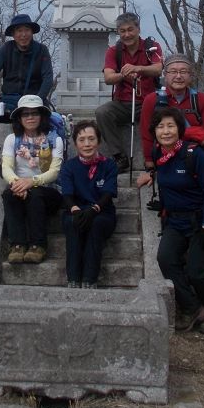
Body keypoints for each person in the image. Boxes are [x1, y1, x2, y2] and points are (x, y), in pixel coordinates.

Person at [136, 107, 204, 334]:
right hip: (174, 221)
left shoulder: (194, 154)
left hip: (199, 221)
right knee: (165, 259)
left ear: (179, 128)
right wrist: (152, 179)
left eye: (170, 126)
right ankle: (192, 306)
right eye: (160, 126)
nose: (165, 131)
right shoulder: (159, 154)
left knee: (197, 271)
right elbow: (166, 174)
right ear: (154, 131)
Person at [95, 12, 163, 171]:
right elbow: (108, 77)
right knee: (102, 112)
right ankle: (119, 156)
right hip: (123, 102)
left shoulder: (151, 46)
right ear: (118, 32)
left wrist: (138, 68)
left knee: (166, 114)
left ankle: (159, 155)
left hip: (149, 101)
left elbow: (158, 68)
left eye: (130, 29)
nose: (127, 34)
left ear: (138, 29)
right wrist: (123, 74)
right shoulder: (113, 51)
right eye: (122, 31)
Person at [0, 94, 64, 264]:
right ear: (19, 118)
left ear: (42, 116)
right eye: (25, 114)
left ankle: (38, 245)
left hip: (49, 191)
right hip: (20, 188)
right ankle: (17, 245)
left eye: (34, 113)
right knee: (8, 195)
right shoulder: (12, 139)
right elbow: (6, 167)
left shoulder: (55, 139)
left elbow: (54, 172)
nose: (30, 117)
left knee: (35, 195)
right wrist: (17, 184)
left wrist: (31, 182)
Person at [59, 120, 118, 288]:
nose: (87, 144)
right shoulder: (69, 166)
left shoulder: (109, 165)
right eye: (82, 139)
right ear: (76, 143)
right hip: (75, 210)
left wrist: (94, 209)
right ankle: (73, 278)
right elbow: (67, 194)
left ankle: (90, 279)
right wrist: (76, 211)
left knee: (96, 225)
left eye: (91, 139)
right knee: (73, 224)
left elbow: (108, 194)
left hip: (102, 212)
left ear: (98, 141)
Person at [138, 53, 204, 171]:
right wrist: (149, 160)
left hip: (194, 159)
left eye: (183, 72)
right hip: (164, 158)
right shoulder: (152, 100)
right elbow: (146, 133)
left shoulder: (201, 100)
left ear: (190, 75)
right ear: (165, 75)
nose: (179, 76)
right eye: (173, 72)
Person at [0, 14, 53, 114]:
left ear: (32, 32)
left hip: (34, 99)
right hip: (9, 99)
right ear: (13, 34)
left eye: (27, 30)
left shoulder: (42, 50)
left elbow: (48, 77)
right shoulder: (6, 48)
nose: (23, 34)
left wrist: (38, 99)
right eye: (19, 31)